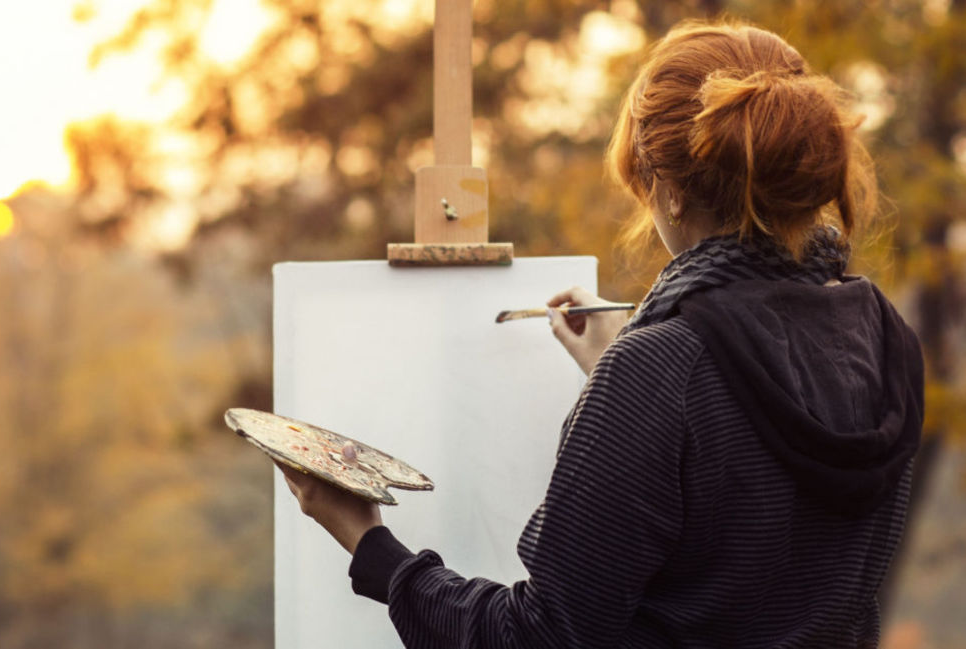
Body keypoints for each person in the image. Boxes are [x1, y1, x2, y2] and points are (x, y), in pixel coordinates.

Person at [275, 18, 924, 648]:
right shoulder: (886, 339)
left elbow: (537, 637)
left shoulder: (660, 371)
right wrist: (632, 368)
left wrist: (371, 545)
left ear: (669, 192)